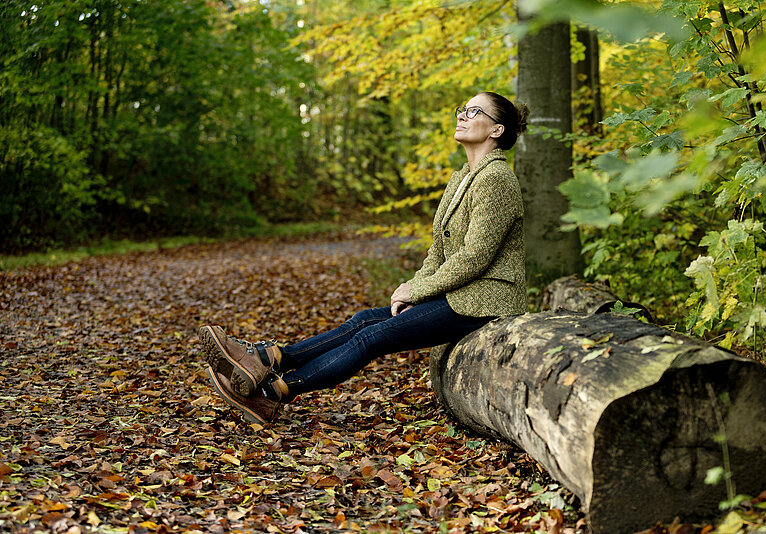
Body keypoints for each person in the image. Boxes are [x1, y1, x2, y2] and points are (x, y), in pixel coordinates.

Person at [199, 91, 530, 425]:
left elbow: (475, 257)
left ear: (496, 130)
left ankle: (273, 393)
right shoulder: (463, 176)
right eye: (462, 108)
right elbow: (439, 250)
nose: (462, 115)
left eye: (474, 111)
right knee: (363, 320)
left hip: (487, 300)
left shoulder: (496, 179)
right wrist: (415, 286)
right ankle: (269, 357)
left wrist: (418, 292)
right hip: (462, 295)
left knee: (373, 337)